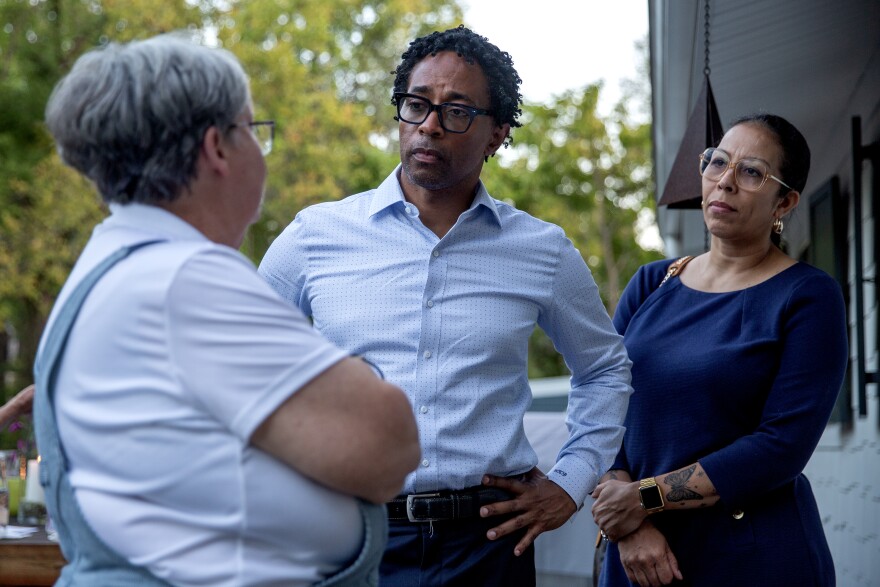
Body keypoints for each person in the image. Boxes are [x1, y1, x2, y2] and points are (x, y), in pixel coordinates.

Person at [34, 34, 419, 587]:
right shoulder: (185, 279)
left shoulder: (119, 263)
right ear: (217, 147)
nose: (260, 153)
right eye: (254, 132)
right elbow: (389, 446)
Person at [259, 25, 632, 587]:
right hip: (348, 539)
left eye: (457, 111)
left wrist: (569, 484)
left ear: (497, 134)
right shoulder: (316, 235)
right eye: (417, 105)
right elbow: (240, 363)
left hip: (487, 547)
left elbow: (604, 370)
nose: (429, 126)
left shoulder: (541, 250)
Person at [591, 113, 847, 586]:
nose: (725, 182)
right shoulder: (652, 282)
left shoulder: (807, 296)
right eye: (717, 163)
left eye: (751, 172)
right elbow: (599, 402)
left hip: (750, 556)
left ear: (784, 202)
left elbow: (780, 447)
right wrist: (630, 526)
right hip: (638, 556)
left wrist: (642, 500)